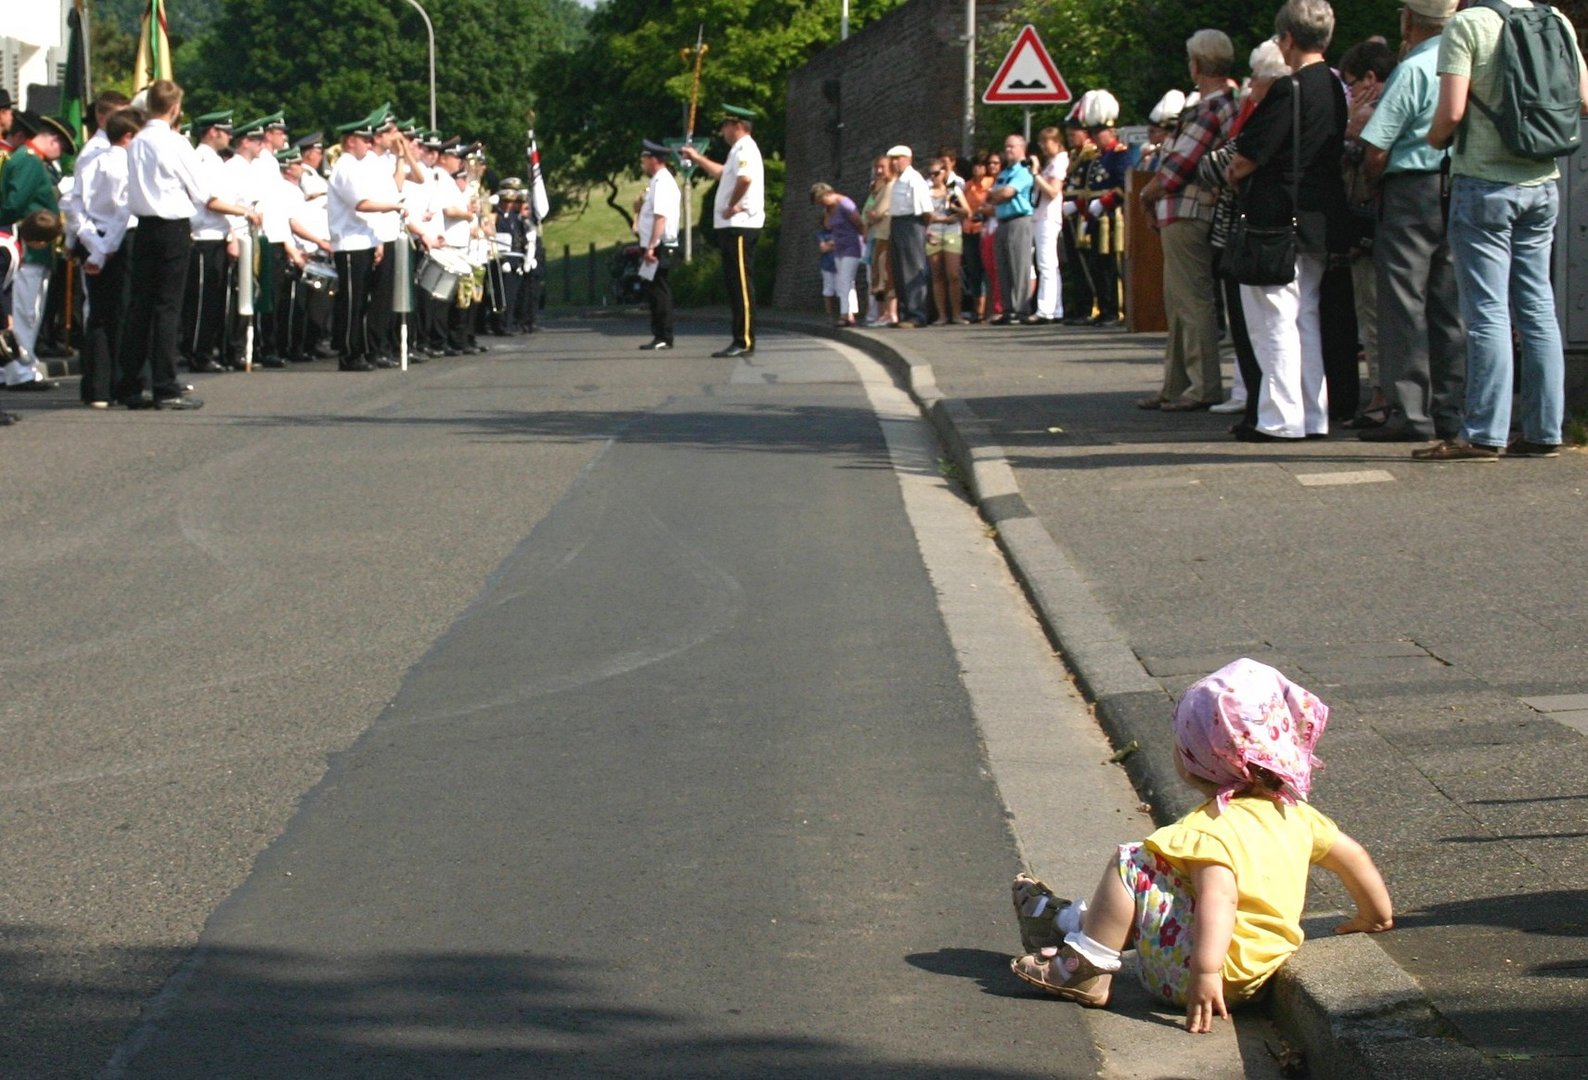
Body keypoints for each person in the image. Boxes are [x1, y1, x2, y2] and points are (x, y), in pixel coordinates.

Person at [1008, 658, 1394, 1032]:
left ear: (1198, 761)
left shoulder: (1209, 828)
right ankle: (1067, 922)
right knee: (1169, 881)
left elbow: (1219, 898)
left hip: (1198, 974)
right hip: (1259, 970)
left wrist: (1206, 972)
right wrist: (1374, 916)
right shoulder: (1298, 816)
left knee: (1134, 863)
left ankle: (1085, 968)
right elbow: (1353, 858)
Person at [1418, 0, 1588, 461]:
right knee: (1538, 307)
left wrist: (1433, 140)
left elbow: (1451, 112)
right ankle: (1544, 430)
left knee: (1487, 311)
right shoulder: (1556, 22)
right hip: (1543, 183)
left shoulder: (1469, 25)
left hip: (1484, 184)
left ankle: (1483, 433)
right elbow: (1583, 99)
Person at [1225, 0, 1350, 442]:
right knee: (1306, 319)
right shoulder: (1336, 87)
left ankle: (1280, 419)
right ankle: (1313, 415)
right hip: (1319, 217)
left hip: (1278, 218)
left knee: (1273, 320)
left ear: (1289, 39)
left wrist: (1233, 172)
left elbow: (1244, 159)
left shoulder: (1288, 89)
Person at [1349, 11, 1465, 445]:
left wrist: (1372, 180)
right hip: (1457, 185)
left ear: (1409, 20)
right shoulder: (1465, 61)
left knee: (1403, 305)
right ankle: (1451, 409)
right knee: (1449, 306)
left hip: (1410, 189)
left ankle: (1411, 412)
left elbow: (1377, 146)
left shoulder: (1412, 68)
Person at [118, 79, 259, 410]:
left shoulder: (137, 142)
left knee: (140, 307)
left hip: (144, 226)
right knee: (167, 308)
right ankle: (165, 385)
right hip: (171, 226)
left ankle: (131, 383)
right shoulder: (175, 143)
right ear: (175, 108)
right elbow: (201, 192)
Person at [1138, 30, 1241, 411]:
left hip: (1188, 210)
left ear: (1197, 65)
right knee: (1179, 301)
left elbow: (1178, 165)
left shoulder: (1211, 108)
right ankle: (1177, 383)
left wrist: (1147, 194)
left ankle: (1201, 386)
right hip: (1189, 209)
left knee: (1192, 301)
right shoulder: (1223, 105)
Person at [1337, 40, 1398, 432]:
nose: (1350, 92)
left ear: (1370, 80)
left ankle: (1380, 395)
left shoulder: (1373, 113)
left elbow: (1367, 163)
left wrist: (1352, 132)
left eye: (1352, 83)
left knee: (1373, 313)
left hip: (1372, 226)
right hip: (1398, 225)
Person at [681, 104, 764, 358]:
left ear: (737, 125)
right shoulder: (736, 151)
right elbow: (722, 174)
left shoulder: (746, 148)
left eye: (725, 125)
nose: (722, 131)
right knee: (734, 284)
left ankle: (745, 339)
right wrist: (697, 158)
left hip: (740, 225)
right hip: (731, 226)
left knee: (740, 284)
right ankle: (740, 337)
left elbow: (745, 178)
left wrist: (731, 205)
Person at [0, 111, 74, 389]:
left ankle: (16, 367)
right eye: (61, 148)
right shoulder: (30, 162)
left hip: (31, 246)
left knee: (23, 311)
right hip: (28, 247)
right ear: (52, 139)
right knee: (24, 313)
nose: (60, 154)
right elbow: (14, 204)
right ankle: (20, 368)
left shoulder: (27, 160)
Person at [75, 106, 142, 408]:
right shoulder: (128, 167)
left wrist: (93, 244)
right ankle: (118, 384)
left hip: (92, 238)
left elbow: (74, 204)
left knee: (98, 315)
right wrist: (105, 250)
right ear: (128, 137)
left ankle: (95, 388)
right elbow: (124, 212)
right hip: (119, 241)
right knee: (123, 314)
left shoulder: (91, 162)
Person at [327, 112, 402, 372]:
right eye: (364, 140)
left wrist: (377, 240)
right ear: (350, 141)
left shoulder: (357, 167)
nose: (369, 145)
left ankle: (361, 350)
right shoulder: (345, 167)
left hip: (363, 240)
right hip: (349, 243)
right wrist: (393, 206)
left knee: (362, 301)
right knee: (352, 302)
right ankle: (349, 353)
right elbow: (361, 203)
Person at [1069, 91, 1130, 326]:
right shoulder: (1096, 157)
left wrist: (1103, 203)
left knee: (1111, 266)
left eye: (1098, 132)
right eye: (1092, 133)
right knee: (1096, 265)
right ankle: (1104, 309)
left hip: (1112, 217)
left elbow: (1124, 186)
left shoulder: (1119, 155)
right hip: (1095, 217)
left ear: (1111, 131)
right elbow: (1087, 187)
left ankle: (1115, 310)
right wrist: (1082, 206)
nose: (1094, 137)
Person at [183, 111, 236, 373]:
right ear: (212, 131)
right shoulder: (201, 159)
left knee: (213, 301)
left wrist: (232, 232)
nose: (229, 137)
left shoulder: (215, 161)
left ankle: (205, 350)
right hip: (202, 238)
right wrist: (244, 212)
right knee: (202, 302)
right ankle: (197, 352)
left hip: (217, 236)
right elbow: (211, 201)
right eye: (226, 131)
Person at [986, 133, 1036, 324]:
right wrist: (997, 195)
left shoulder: (1023, 171)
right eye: (1006, 147)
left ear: (1022, 149)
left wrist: (997, 195)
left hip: (1019, 219)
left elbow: (1007, 192)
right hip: (1002, 220)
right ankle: (1008, 309)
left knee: (1019, 266)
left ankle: (1022, 309)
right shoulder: (1005, 173)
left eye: (1012, 147)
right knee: (1003, 267)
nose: (1008, 150)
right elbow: (990, 196)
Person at [637, 140, 681, 350]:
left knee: (659, 291)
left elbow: (660, 217)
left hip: (660, 244)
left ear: (653, 159)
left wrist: (652, 246)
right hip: (655, 243)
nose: (642, 163)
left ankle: (664, 335)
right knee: (654, 290)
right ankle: (660, 334)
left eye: (644, 159)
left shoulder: (663, 182)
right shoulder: (657, 181)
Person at [884, 145, 933, 328]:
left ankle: (917, 314)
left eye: (898, 158)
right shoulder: (898, 181)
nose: (895, 162)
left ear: (908, 159)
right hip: (898, 223)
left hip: (912, 223)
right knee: (899, 270)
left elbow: (926, 210)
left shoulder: (914, 179)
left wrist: (924, 230)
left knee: (913, 267)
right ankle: (905, 312)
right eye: (892, 159)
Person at [1027, 127, 1069, 324]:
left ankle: (1046, 309)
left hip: (1048, 217)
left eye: (1046, 142)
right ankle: (1054, 308)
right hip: (1041, 215)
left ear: (1056, 141)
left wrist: (1036, 175)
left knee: (1047, 264)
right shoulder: (1051, 162)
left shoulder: (1060, 161)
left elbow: (1052, 191)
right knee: (1048, 264)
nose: (1043, 147)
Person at [812, 181, 864, 327]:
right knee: (845, 281)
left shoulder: (845, 204)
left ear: (828, 194)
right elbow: (829, 226)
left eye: (822, 200)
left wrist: (863, 241)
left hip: (851, 246)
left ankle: (844, 315)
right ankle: (850, 314)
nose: (822, 204)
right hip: (838, 249)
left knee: (844, 279)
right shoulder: (829, 209)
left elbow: (859, 223)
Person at [924, 158, 967, 325]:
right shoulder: (925, 191)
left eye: (937, 173)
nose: (933, 177)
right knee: (937, 276)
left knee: (953, 274)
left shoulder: (953, 190)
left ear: (944, 173)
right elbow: (925, 215)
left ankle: (957, 314)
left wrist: (954, 207)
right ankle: (942, 315)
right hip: (933, 233)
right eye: (931, 174)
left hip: (952, 232)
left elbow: (967, 211)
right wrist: (940, 221)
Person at [861, 155, 897, 327]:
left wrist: (873, 215)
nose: (879, 171)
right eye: (877, 167)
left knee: (885, 274)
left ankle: (889, 314)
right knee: (880, 274)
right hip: (879, 235)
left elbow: (876, 213)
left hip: (885, 234)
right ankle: (884, 314)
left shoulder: (890, 186)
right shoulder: (881, 188)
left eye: (882, 167)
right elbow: (868, 214)